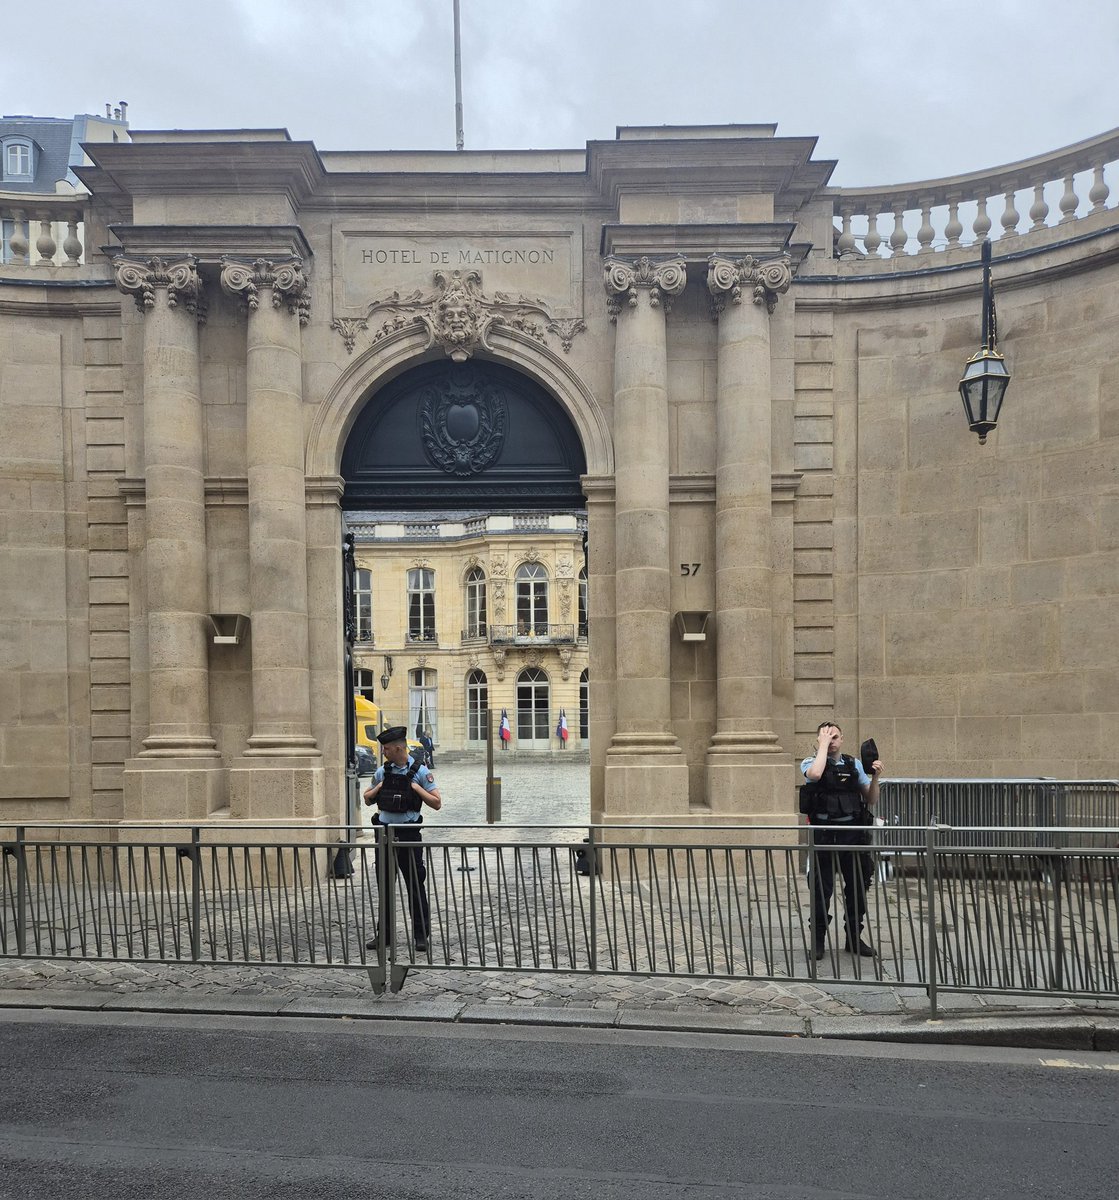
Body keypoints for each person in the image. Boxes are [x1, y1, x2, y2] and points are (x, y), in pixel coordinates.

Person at [801, 721, 883, 961]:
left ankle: (854, 938)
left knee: (857, 885)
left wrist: (875, 777)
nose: (832, 740)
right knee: (821, 888)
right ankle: (818, 941)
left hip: (852, 832)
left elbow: (871, 798)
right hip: (824, 833)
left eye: (835, 736)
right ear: (819, 740)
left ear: (842, 739)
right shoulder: (811, 762)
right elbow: (815, 775)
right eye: (827, 737)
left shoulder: (853, 764)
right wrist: (823, 746)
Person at [363, 725, 441, 953]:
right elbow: (367, 799)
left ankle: (420, 936)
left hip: (408, 835)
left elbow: (436, 802)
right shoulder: (382, 772)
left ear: (398, 748)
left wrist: (417, 789)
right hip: (384, 835)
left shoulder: (420, 771)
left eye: (386, 748)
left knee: (415, 885)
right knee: (385, 886)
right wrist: (377, 788)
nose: (383, 752)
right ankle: (384, 935)